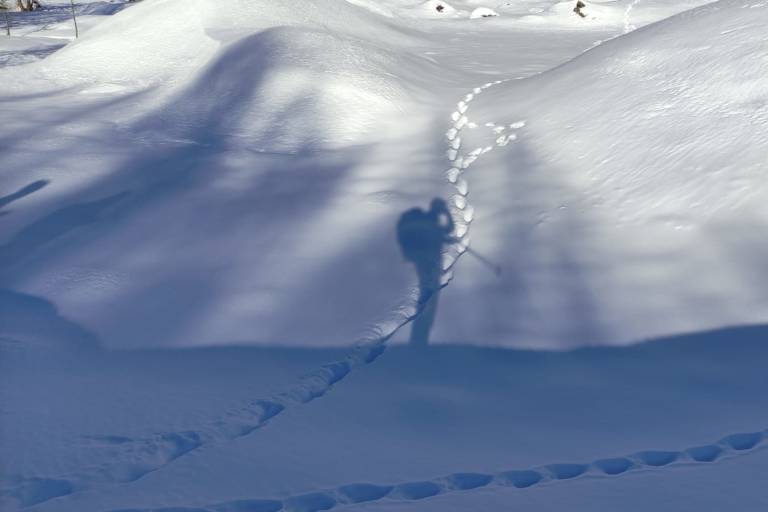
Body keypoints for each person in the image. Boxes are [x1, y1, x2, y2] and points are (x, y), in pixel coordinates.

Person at [396, 198, 456, 346]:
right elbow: (449, 229)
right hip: (430, 261)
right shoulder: (433, 223)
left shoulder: (427, 223)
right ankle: (420, 336)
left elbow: (445, 233)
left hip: (420, 260)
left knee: (426, 293)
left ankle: (419, 336)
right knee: (429, 295)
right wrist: (447, 213)